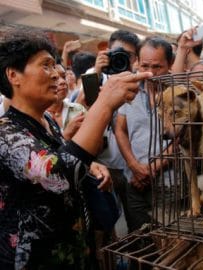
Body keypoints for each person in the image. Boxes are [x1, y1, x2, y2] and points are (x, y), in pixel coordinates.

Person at [0, 27, 152, 269]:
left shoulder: (46, 121)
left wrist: (91, 164)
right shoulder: (6, 133)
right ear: (13, 75)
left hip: (72, 249)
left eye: (56, 65)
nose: (57, 73)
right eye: (46, 65)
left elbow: (61, 155)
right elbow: (56, 175)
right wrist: (104, 103)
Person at [83, 30, 140, 234]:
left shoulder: (141, 80)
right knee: (110, 224)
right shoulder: (97, 80)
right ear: (107, 53)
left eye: (129, 55)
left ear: (136, 58)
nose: (122, 59)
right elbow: (83, 107)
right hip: (105, 166)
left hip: (135, 165)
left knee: (136, 224)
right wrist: (96, 71)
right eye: (117, 53)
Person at [114, 36, 174, 233]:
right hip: (134, 183)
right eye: (144, 65)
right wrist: (133, 165)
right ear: (137, 62)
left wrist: (152, 168)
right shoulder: (128, 90)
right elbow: (120, 130)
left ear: (170, 64)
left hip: (169, 184)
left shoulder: (180, 91)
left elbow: (183, 138)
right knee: (140, 240)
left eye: (157, 66)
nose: (150, 72)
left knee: (170, 241)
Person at [46, 60, 86, 140]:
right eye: (55, 78)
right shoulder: (37, 116)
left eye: (64, 77)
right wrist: (66, 134)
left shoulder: (78, 109)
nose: (63, 82)